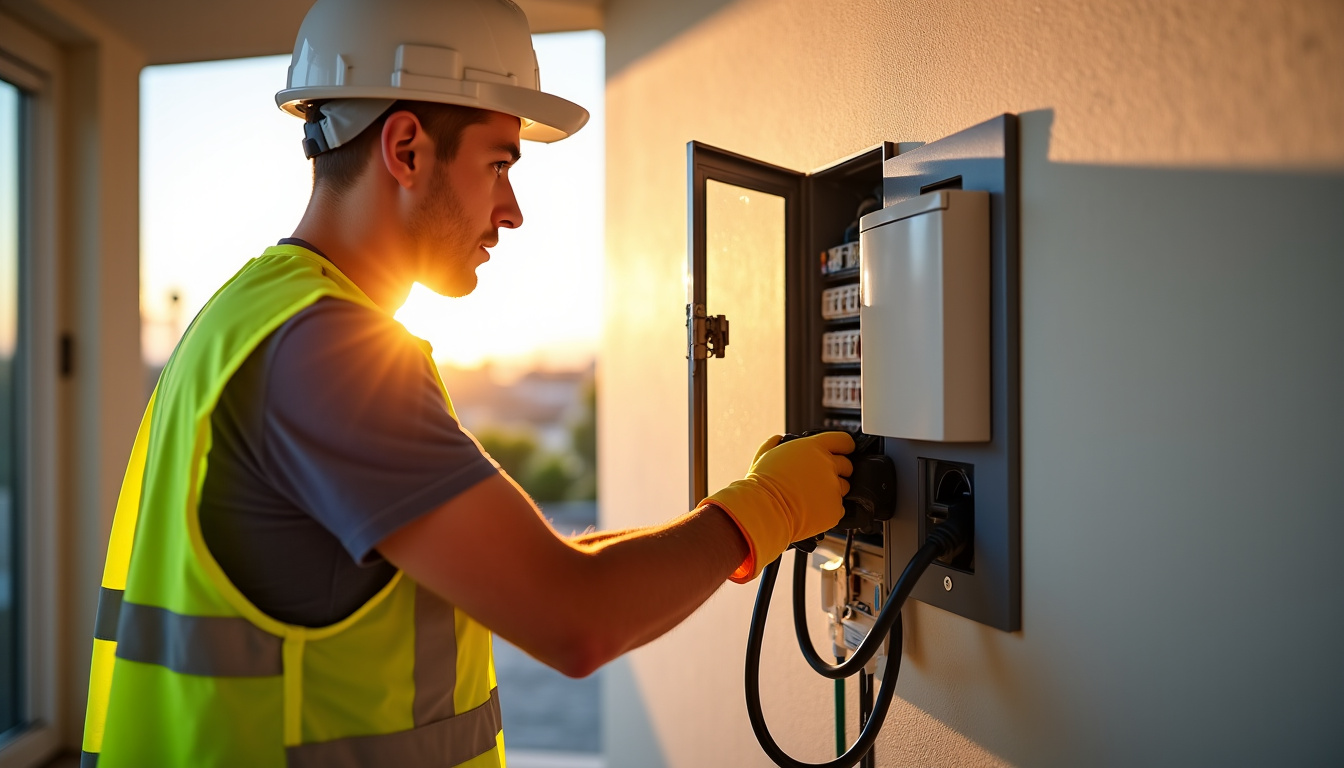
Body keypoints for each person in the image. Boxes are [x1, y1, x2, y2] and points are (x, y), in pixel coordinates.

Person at [79, 0, 855, 765]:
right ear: (407, 149)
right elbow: (573, 617)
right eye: (499, 164)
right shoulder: (327, 351)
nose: (512, 211)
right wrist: (765, 509)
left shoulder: (254, 314)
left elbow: (528, 570)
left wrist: (736, 507)